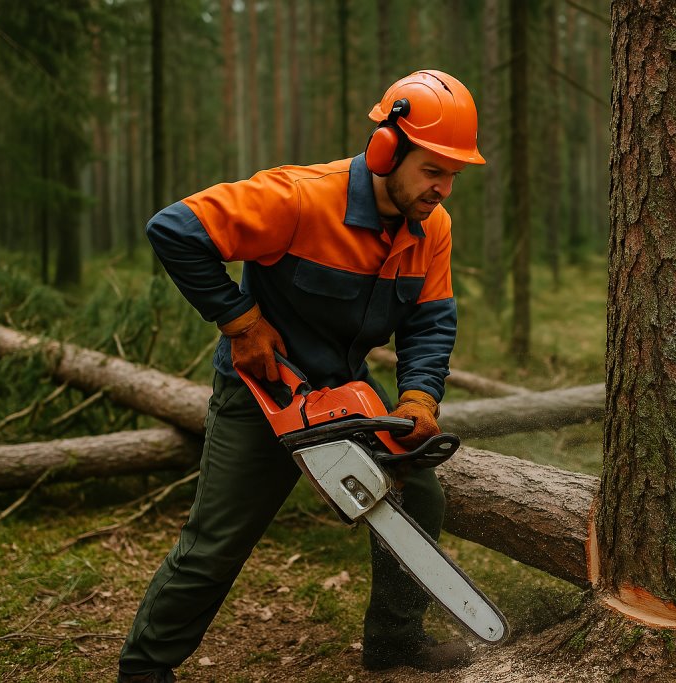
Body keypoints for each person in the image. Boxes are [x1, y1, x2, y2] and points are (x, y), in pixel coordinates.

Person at [117, 69, 485, 683]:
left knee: (419, 493)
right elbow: (175, 229)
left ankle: (394, 641)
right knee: (216, 543)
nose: (444, 188)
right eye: (432, 170)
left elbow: (430, 322)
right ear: (387, 149)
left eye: (453, 174)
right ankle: (144, 668)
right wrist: (239, 320)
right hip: (264, 394)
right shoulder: (299, 197)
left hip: (349, 393)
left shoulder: (432, 230)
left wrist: (420, 394)